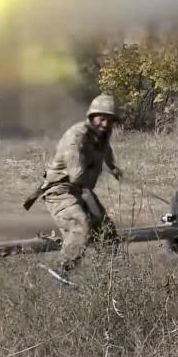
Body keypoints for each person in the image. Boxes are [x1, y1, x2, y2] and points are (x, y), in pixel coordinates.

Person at [40, 94, 123, 284]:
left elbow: (106, 151)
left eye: (110, 121)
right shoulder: (76, 137)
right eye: (102, 119)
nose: (105, 124)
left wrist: (113, 168)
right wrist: (93, 209)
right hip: (60, 191)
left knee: (108, 234)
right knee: (80, 225)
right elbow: (77, 177)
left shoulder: (101, 137)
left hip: (82, 191)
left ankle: (107, 282)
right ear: (92, 117)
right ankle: (60, 273)